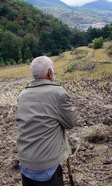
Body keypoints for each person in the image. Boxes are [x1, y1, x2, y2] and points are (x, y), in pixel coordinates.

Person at [16, 56, 77, 186]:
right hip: (46, 166)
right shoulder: (58, 93)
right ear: (50, 73)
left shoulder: (22, 96)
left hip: (25, 163)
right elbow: (70, 122)